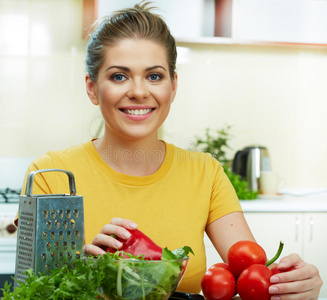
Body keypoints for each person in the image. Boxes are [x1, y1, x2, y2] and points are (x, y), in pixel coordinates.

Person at [19, 1, 322, 297]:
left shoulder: (205, 172)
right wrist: (84, 270)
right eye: (118, 76)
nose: (138, 92)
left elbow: (251, 278)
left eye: (154, 76)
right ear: (91, 87)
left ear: (173, 86)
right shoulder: (51, 176)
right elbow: (37, 291)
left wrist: (290, 287)